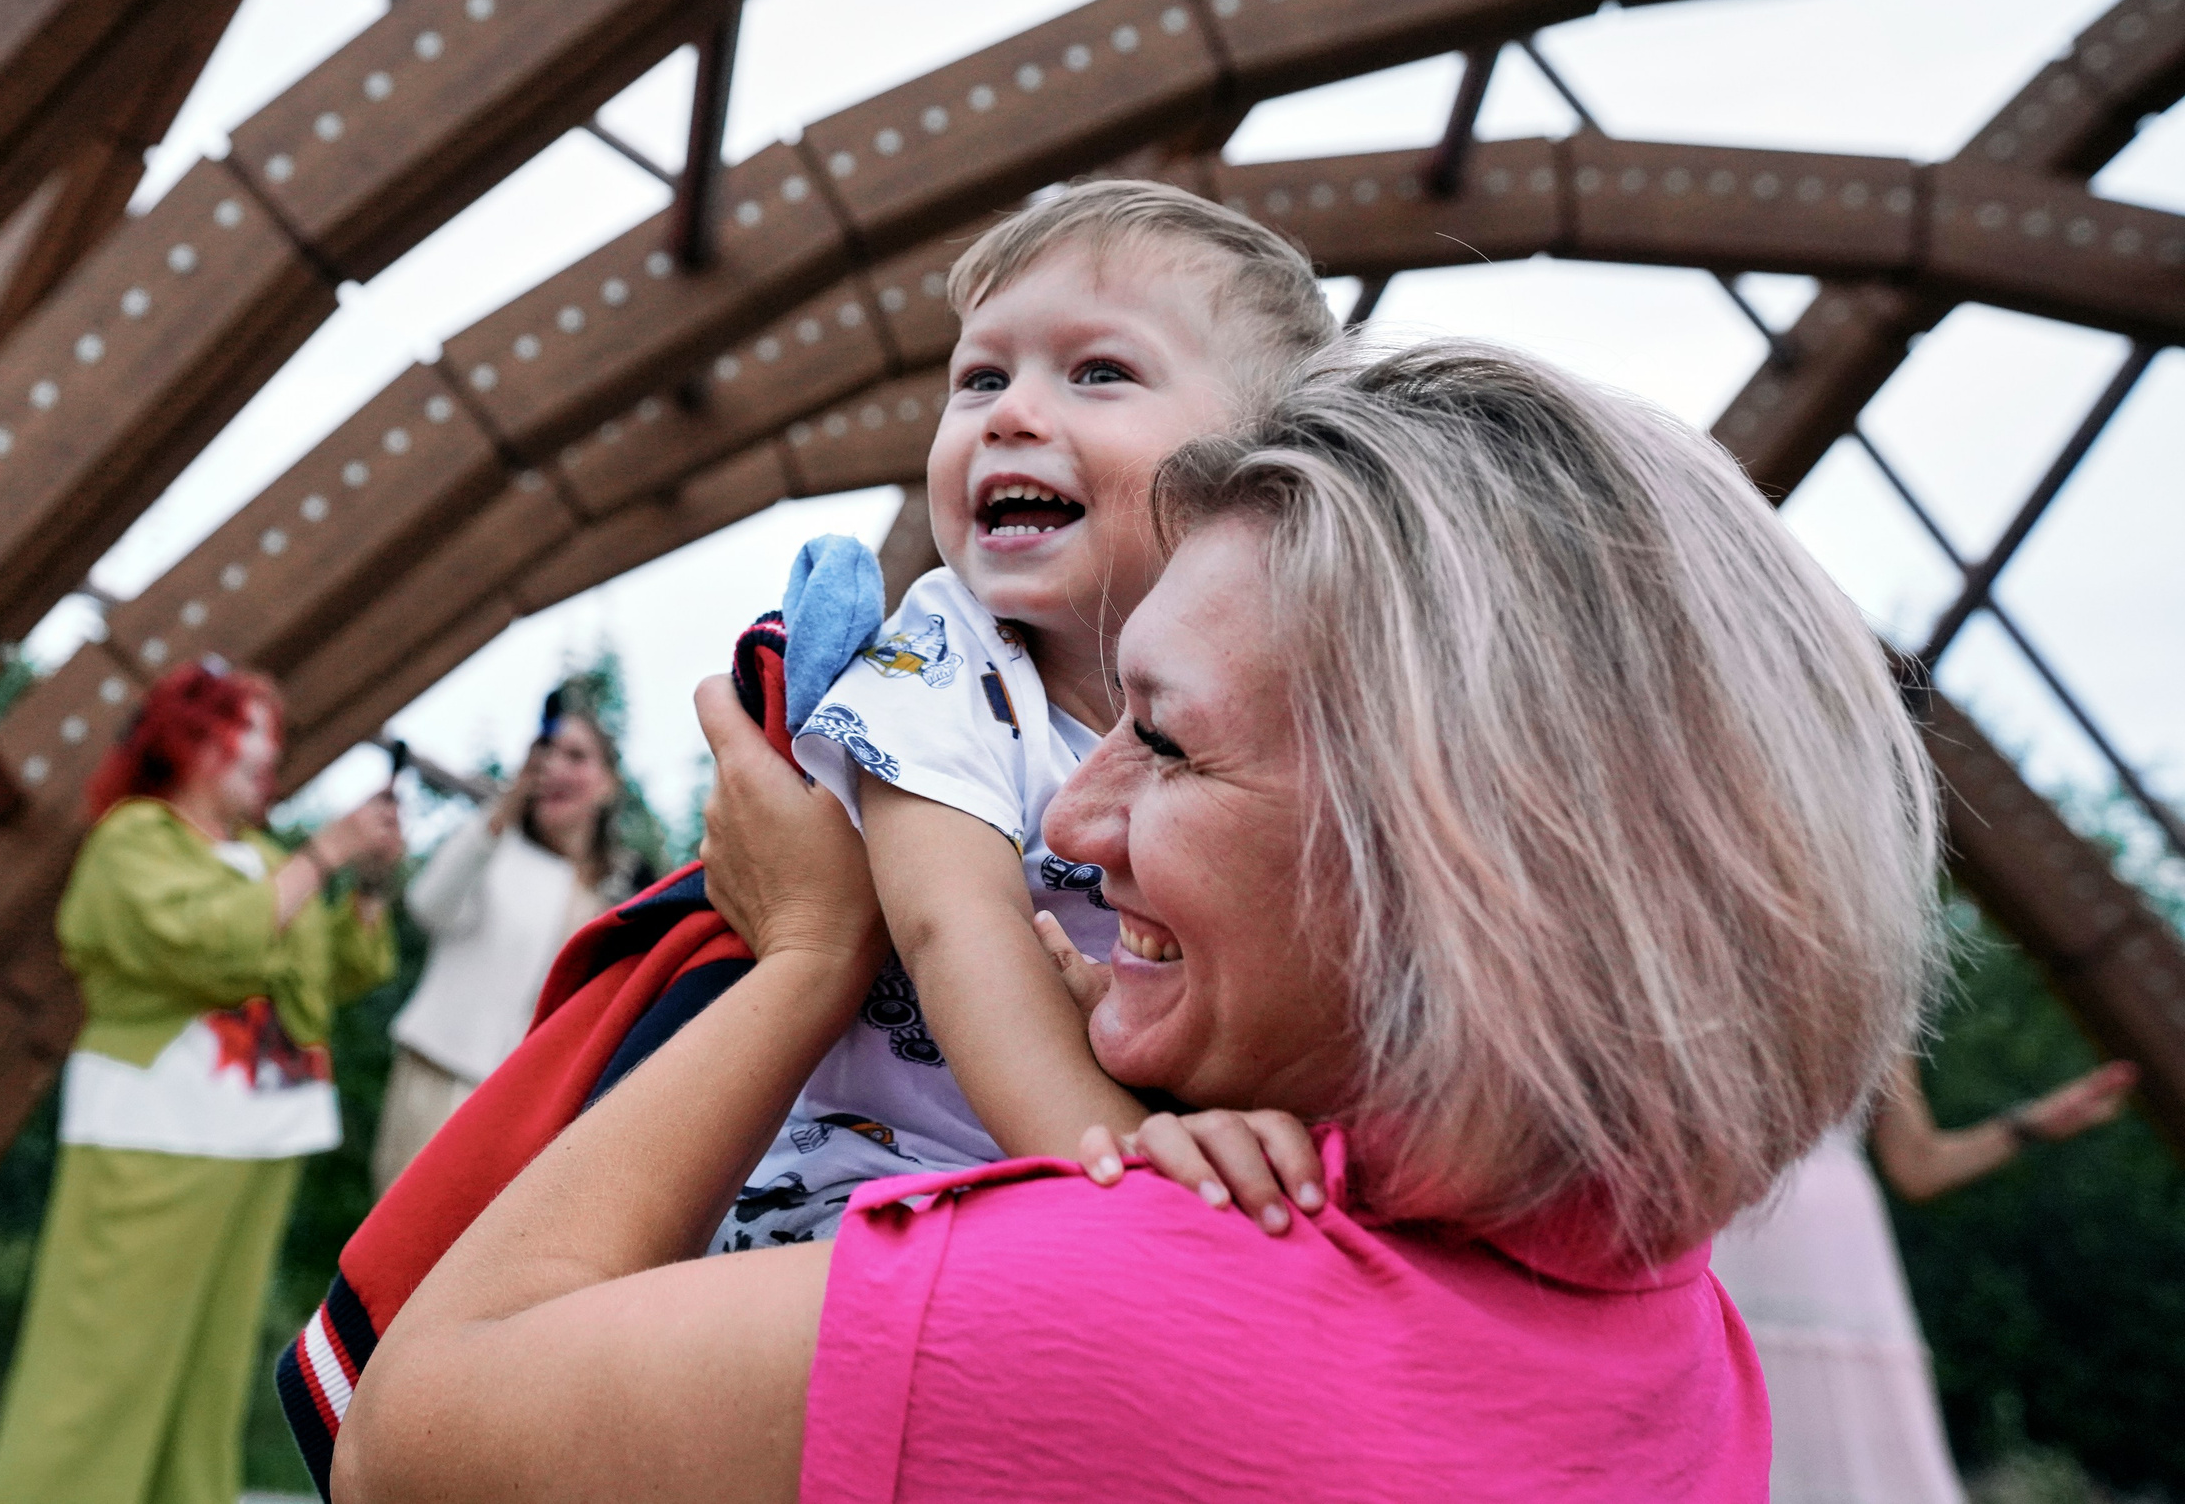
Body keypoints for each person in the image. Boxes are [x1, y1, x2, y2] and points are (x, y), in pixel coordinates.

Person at [337, 340, 1943, 1502]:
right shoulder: (1667, 1325)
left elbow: (411, 1444)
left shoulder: (1120, 1317)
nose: (1071, 818)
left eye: (1162, 738)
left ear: (1456, 854)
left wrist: (808, 965)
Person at [719, 179, 1342, 1250]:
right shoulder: (943, 658)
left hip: (1103, 1168)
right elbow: (953, 921)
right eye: (980, 377)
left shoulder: (1309, 690)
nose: (1009, 413)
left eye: (1098, 372)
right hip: (879, 1187)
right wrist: (1123, 1160)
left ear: (1266, 461)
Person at [0, 658, 402, 1504]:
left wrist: (368, 884)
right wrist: (323, 855)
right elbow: (209, 945)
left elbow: (330, 976)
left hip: (262, 1137)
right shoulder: (132, 839)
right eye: (255, 729)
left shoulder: (260, 856)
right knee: (98, 1374)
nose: (271, 752)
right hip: (156, 1132)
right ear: (194, 737)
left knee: (203, 1385)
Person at [1710, 1055, 2136, 1503]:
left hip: (1836, 1254)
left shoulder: (1870, 984)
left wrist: (2031, 1124)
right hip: (1716, 1222)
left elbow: (1917, 1164)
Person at [371, 686, 642, 1193]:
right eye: (546, 753)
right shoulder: (495, 848)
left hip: (528, 1104)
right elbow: (427, 906)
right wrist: (503, 807)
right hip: (439, 1076)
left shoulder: (620, 889)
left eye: (576, 756)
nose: (555, 767)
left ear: (608, 784)